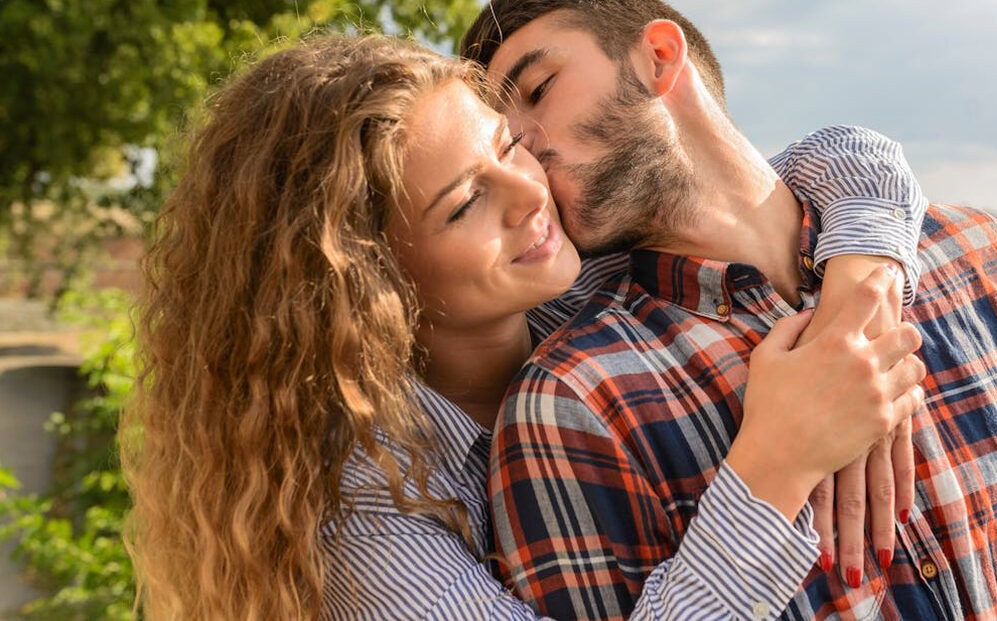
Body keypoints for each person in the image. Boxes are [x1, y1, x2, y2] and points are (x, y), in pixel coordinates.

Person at [122, 34, 931, 619]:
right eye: (467, 202)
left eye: (509, 143)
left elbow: (837, 161)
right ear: (367, 281)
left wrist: (859, 297)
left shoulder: (582, 282)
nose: (529, 192)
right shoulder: (364, 512)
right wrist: (774, 466)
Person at [460, 0, 997, 619]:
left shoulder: (977, 255)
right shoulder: (570, 405)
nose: (524, 145)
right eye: (503, 141)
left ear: (660, 58)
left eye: (538, 89)